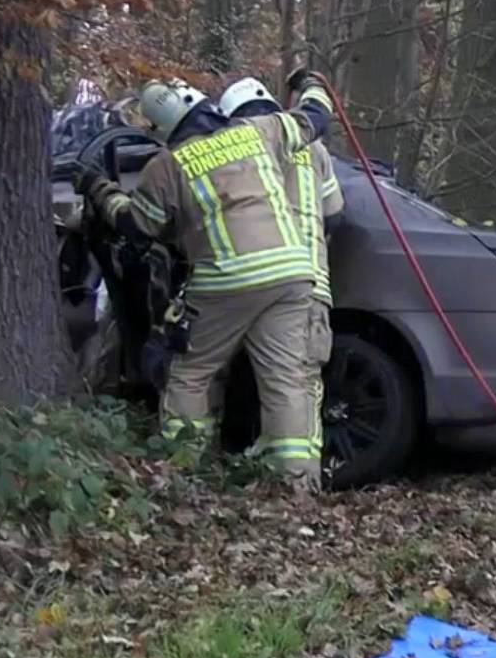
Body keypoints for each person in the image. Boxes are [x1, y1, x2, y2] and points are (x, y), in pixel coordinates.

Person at [74, 74, 343, 487]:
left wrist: (98, 187)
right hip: (293, 275)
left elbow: (137, 224)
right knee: (288, 380)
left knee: (191, 371)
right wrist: (312, 83)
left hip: (227, 281)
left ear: (162, 130)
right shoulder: (260, 131)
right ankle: (296, 486)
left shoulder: (168, 164)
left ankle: (181, 470)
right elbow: (316, 117)